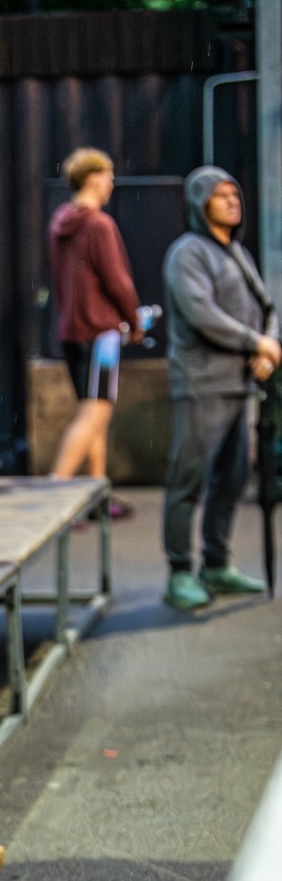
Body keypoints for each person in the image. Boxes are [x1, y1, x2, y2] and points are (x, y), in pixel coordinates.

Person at [162, 166, 280, 610]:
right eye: (221, 195)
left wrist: (268, 349)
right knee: (189, 478)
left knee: (233, 477)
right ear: (200, 203)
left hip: (238, 383)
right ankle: (179, 571)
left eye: (235, 194)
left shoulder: (236, 252)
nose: (233, 201)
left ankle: (216, 563)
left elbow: (268, 307)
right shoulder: (188, 253)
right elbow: (201, 313)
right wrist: (255, 342)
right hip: (202, 381)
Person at [48, 148, 143, 512]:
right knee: (95, 415)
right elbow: (118, 282)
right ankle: (53, 495)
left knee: (93, 415)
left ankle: (97, 495)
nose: (112, 183)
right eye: (108, 176)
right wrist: (134, 321)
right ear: (92, 179)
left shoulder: (60, 222)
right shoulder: (99, 225)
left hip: (71, 333)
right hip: (101, 334)